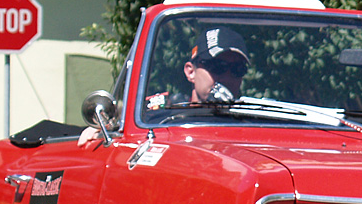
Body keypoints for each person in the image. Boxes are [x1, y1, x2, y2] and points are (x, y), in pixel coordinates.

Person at [79, 26, 249, 146]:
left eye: (237, 69)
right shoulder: (157, 116)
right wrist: (100, 133)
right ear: (191, 72)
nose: (227, 76)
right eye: (217, 66)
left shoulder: (253, 123)